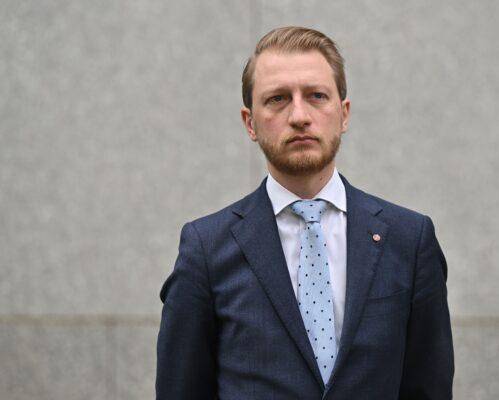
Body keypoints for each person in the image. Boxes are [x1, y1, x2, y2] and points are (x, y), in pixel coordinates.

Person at [156, 26, 454, 399]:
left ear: (343, 114)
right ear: (250, 122)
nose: (299, 115)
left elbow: (429, 387)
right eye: (278, 99)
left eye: (316, 96)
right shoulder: (206, 249)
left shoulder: (409, 240)